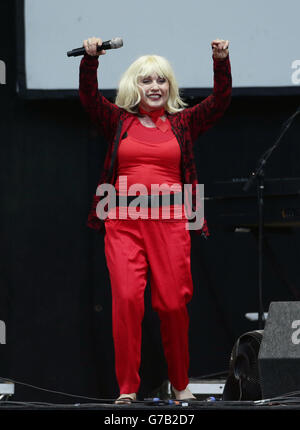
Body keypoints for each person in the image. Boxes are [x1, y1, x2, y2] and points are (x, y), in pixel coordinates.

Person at [79, 36, 231, 404]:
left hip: (171, 223)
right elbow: (88, 97)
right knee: (128, 301)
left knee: (173, 305)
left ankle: (180, 385)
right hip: (124, 221)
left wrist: (220, 61)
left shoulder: (182, 123)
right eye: (147, 80)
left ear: (169, 87)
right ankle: (127, 390)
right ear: (135, 86)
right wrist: (90, 60)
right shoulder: (119, 121)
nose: (155, 86)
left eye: (161, 80)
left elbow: (220, 102)